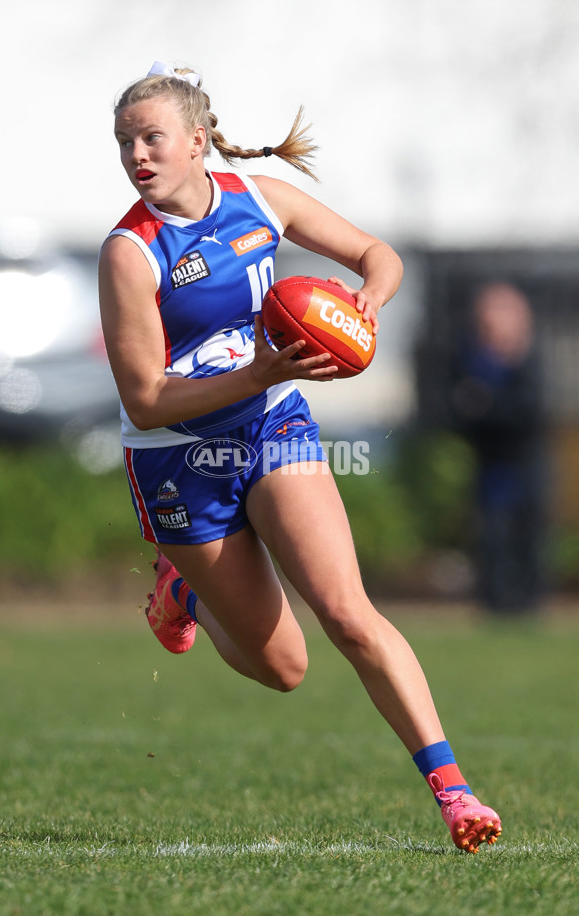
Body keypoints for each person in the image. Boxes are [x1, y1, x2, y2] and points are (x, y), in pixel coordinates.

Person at [99, 59, 502, 853]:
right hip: (178, 458)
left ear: (198, 141)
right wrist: (257, 369)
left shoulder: (260, 202)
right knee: (284, 668)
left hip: (272, 422)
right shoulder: (129, 252)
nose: (136, 155)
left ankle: (453, 790)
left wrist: (364, 305)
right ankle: (184, 589)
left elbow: (378, 256)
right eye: (124, 142)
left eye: (151, 138)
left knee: (350, 614)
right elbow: (145, 397)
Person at [448, 282, 547, 614]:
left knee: (528, 532)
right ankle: (494, 601)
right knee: (493, 532)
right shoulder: (470, 356)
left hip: (525, 460)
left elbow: (530, 410)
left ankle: (529, 603)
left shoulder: (529, 357)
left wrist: (487, 405)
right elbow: (460, 408)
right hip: (491, 461)